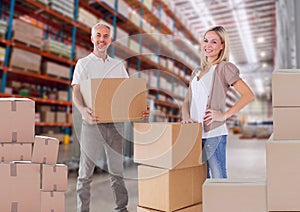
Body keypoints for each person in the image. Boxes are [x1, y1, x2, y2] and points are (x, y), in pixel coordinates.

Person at [72, 22, 149, 212]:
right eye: (98, 35)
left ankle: (121, 209)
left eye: (105, 36)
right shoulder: (83, 64)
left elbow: (128, 95)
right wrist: (83, 111)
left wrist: (139, 110)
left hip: (115, 126)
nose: (101, 39)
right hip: (92, 124)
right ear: (92, 38)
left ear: (110, 40)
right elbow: (76, 91)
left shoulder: (118, 66)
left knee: (117, 173)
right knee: (85, 174)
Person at [181, 26, 254, 178]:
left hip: (214, 133)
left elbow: (248, 95)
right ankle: (207, 204)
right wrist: (186, 117)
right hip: (194, 134)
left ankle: (222, 203)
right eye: (206, 41)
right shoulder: (196, 71)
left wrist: (224, 115)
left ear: (222, 46)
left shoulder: (224, 68)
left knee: (219, 178)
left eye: (214, 42)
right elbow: (187, 101)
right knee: (200, 180)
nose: (208, 45)